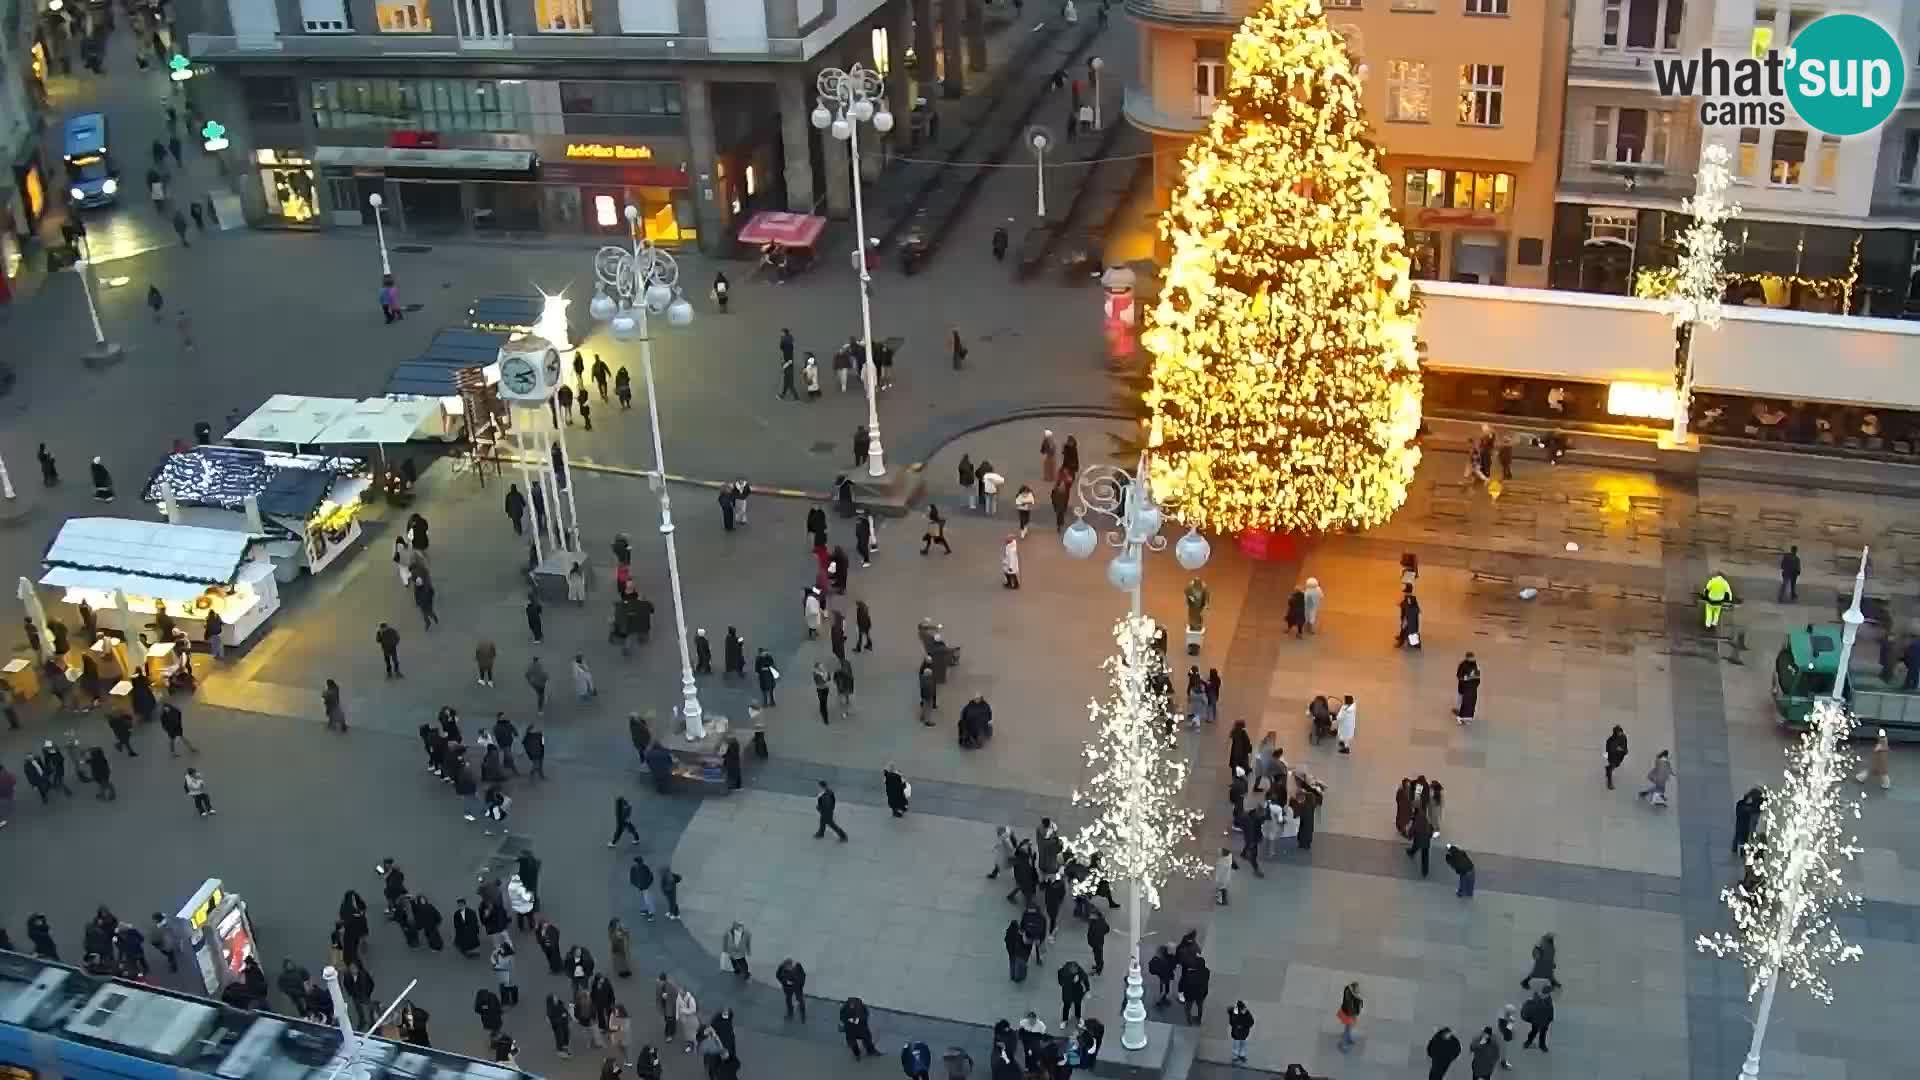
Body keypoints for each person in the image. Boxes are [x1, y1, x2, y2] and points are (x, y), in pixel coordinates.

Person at [1057, 959, 1089, 1023]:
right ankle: (1065, 1020)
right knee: (1066, 1006)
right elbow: (1060, 974)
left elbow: (1085, 978)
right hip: (1067, 993)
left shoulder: (1080, 971)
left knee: (1078, 1005)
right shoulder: (1064, 971)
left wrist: (1087, 988)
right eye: (1074, 970)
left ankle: (1078, 1017)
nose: (1076, 971)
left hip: (1077, 992)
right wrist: (1062, 983)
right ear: (1070, 969)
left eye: (1076, 970)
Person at [1454, 652, 1481, 724]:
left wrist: (1474, 685)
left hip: (1470, 688)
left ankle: (1466, 715)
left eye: (1473, 657)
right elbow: (1459, 675)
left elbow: (1478, 677)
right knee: (1461, 698)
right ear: (1467, 658)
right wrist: (1464, 679)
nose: (1472, 659)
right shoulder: (1462, 665)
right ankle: (1458, 710)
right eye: (1471, 658)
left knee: (1467, 701)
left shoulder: (1476, 666)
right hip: (1463, 687)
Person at [1604, 724, 1629, 789]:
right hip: (1613, 756)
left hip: (1620, 755)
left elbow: (1625, 744)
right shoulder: (1610, 740)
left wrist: (1625, 750)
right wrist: (1616, 749)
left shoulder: (1623, 737)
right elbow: (1608, 749)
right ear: (1615, 733)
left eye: (1621, 731)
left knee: (1617, 765)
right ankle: (1609, 782)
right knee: (1612, 765)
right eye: (1618, 732)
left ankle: (1608, 768)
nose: (1620, 733)